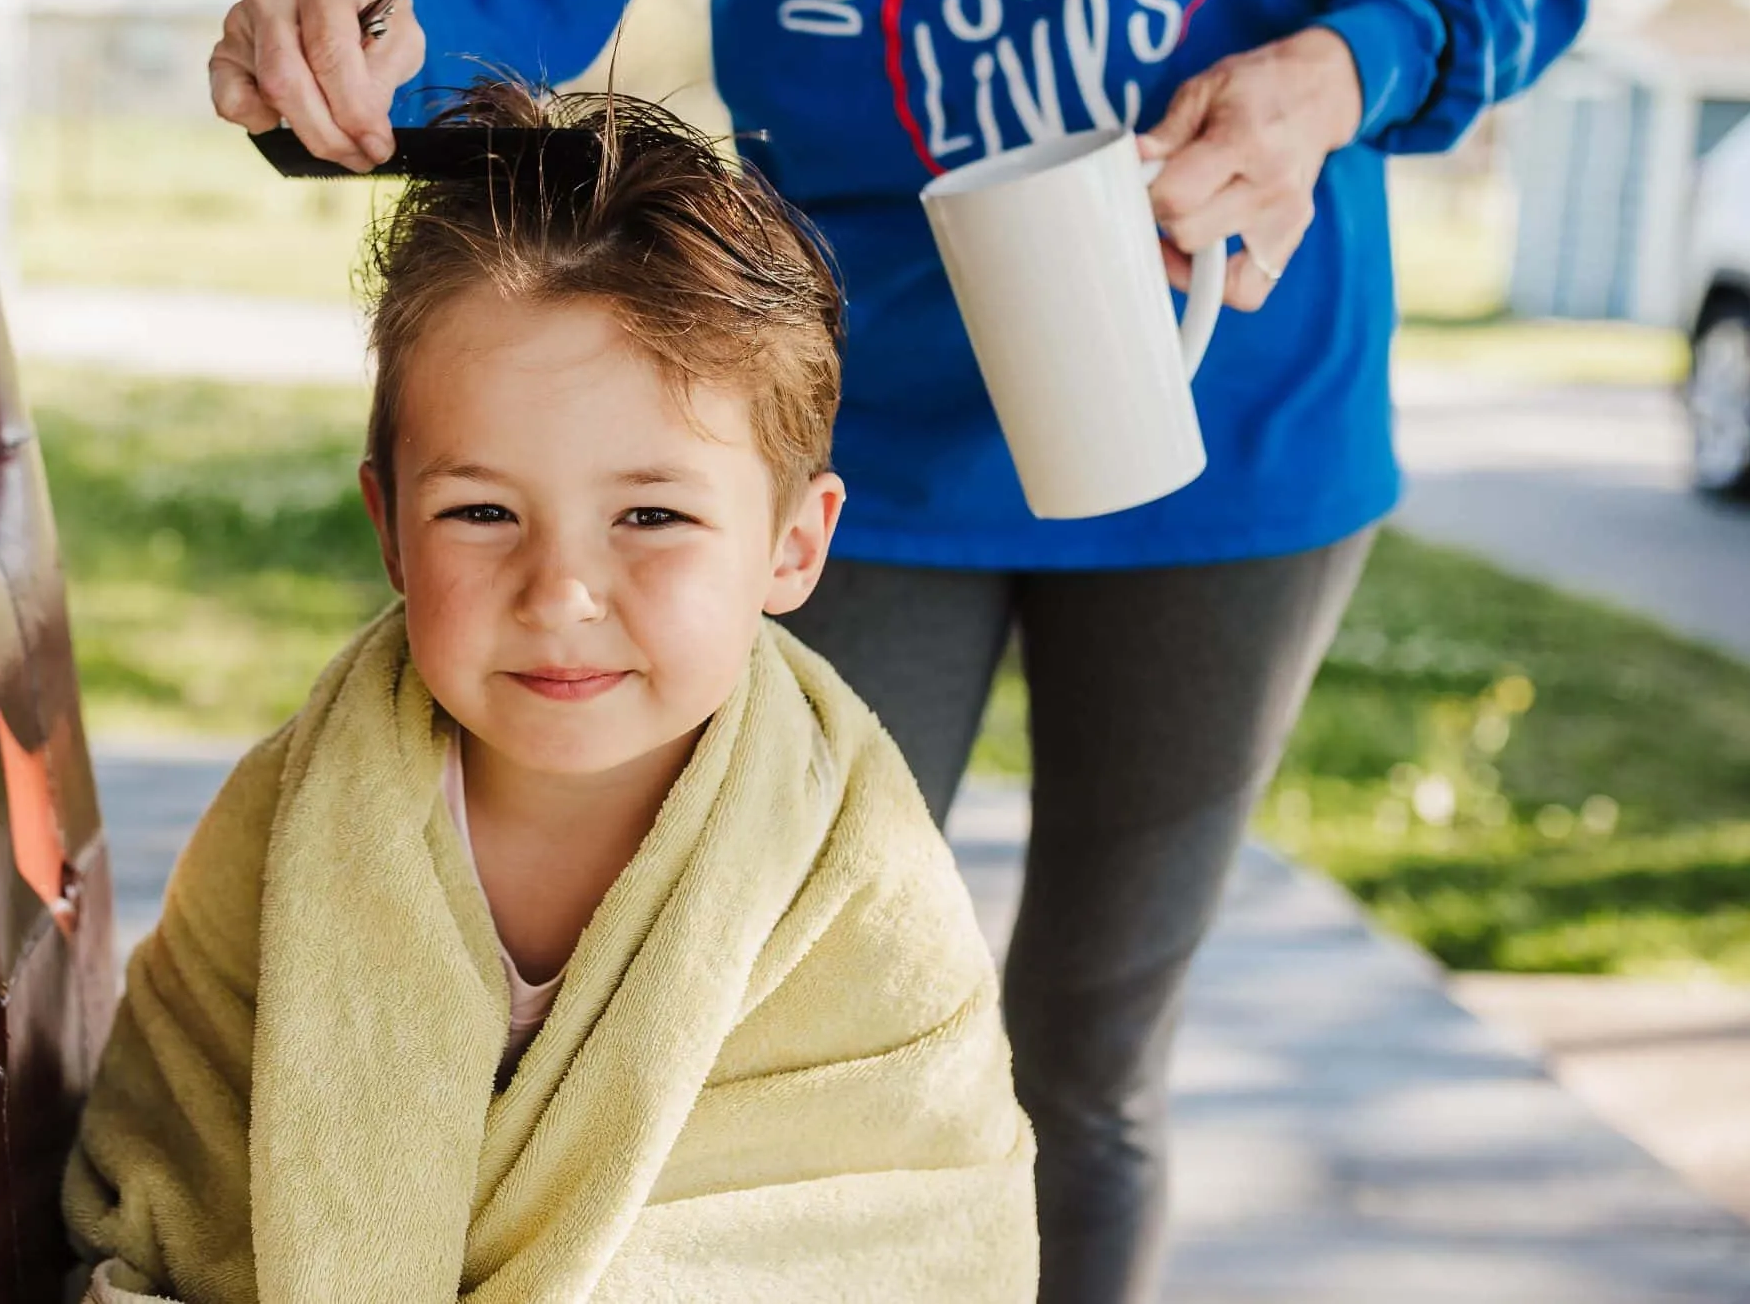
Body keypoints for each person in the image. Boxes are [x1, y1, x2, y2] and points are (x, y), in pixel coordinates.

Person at [203, 0, 1598, 1300]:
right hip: (835, 430)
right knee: (714, 1021)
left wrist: (1341, 70)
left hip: (1224, 396)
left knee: (1089, 1054)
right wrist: (367, 3)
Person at [64, 86, 1039, 1303]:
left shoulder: (855, 875)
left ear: (793, 542)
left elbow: (911, 1229)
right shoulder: (285, 821)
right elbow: (165, 1182)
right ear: (390, 528)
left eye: (652, 514)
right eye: (480, 511)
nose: (561, 589)